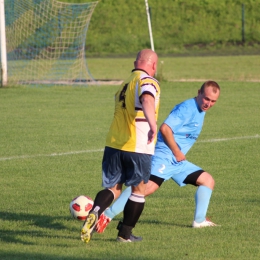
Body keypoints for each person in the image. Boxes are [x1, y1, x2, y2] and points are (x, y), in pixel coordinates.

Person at [96, 80, 221, 234]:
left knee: (207, 181)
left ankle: (199, 220)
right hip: (165, 155)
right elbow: (165, 128)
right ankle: (106, 215)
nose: (208, 103)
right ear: (199, 92)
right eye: (206, 98)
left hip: (177, 161)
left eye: (213, 101)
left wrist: (178, 155)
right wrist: (176, 151)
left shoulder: (200, 110)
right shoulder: (187, 108)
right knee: (144, 188)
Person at [80, 49, 161, 243]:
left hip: (114, 144)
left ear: (135, 63)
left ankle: (95, 211)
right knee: (138, 191)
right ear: (154, 65)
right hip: (138, 145)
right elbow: (147, 99)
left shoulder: (125, 84)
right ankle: (125, 235)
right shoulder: (148, 81)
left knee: (114, 188)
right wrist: (152, 125)